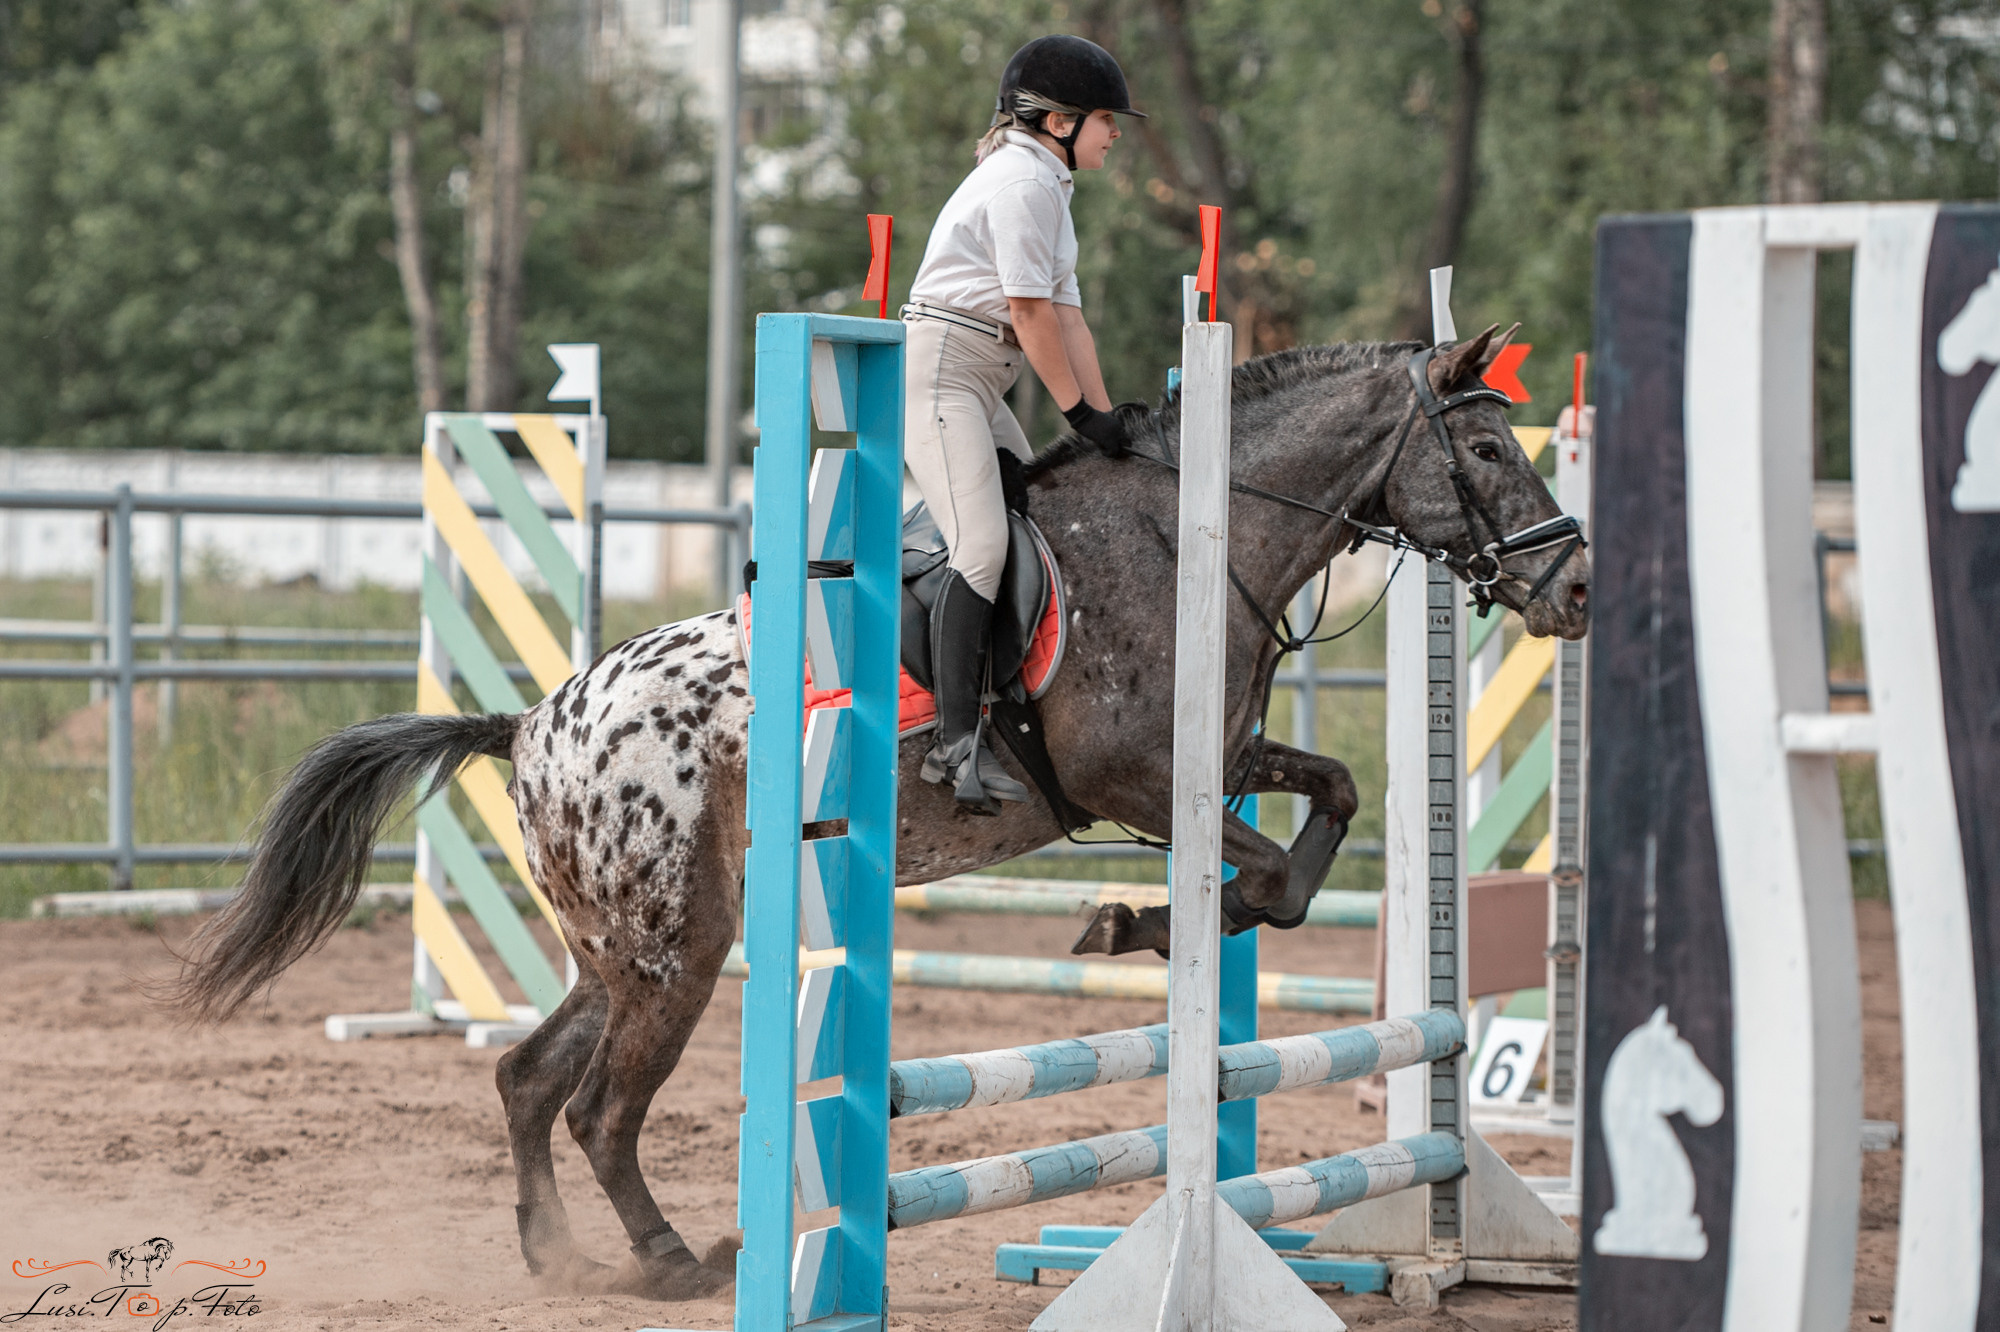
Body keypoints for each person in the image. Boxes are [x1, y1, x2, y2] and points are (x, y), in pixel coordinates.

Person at [902, 34, 1143, 815]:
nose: (1116, 134)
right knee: (981, 545)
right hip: (944, 370)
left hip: (977, 373)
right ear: (1061, 121)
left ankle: (1004, 704)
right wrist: (1076, 413)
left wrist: (1104, 419)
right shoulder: (1021, 182)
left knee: (1035, 515)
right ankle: (952, 746)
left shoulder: (1049, 183)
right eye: (1107, 120)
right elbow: (1031, 314)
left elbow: (1071, 321)